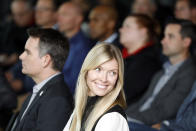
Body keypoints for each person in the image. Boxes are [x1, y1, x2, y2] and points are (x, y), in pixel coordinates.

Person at [126, 19, 196, 126]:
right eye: (164, 36)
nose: (163, 41)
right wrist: (121, 115)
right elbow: (142, 103)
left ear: (186, 42)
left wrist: (127, 119)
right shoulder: (161, 72)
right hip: (136, 121)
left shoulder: (190, 74)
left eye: (170, 36)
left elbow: (167, 111)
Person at [6, 28, 73, 131]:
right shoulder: (42, 90)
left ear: (45, 60)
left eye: (28, 52)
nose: (21, 56)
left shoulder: (57, 101)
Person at [63, 43, 129, 131]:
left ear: (118, 78)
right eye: (98, 69)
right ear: (86, 71)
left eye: (112, 73)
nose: (104, 79)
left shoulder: (112, 118)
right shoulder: (81, 106)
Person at [119, 14, 162, 105]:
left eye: (127, 26)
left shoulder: (148, 63)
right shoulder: (121, 54)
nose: (121, 30)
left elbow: (125, 94)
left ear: (143, 32)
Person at [58, 1, 93, 94]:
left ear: (78, 19)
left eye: (64, 14)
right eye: (59, 14)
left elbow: (74, 83)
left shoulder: (83, 47)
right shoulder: (61, 40)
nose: (59, 18)